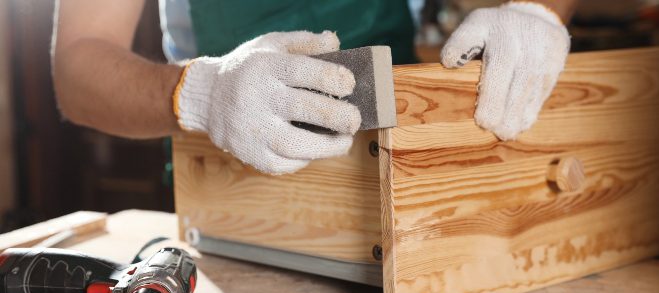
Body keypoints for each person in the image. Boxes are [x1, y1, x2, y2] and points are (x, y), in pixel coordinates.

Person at [52, 0, 577, 174]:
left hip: (409, 172)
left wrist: (538, 11)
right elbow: (78, 68)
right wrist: (203, 92)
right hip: (228, 196)